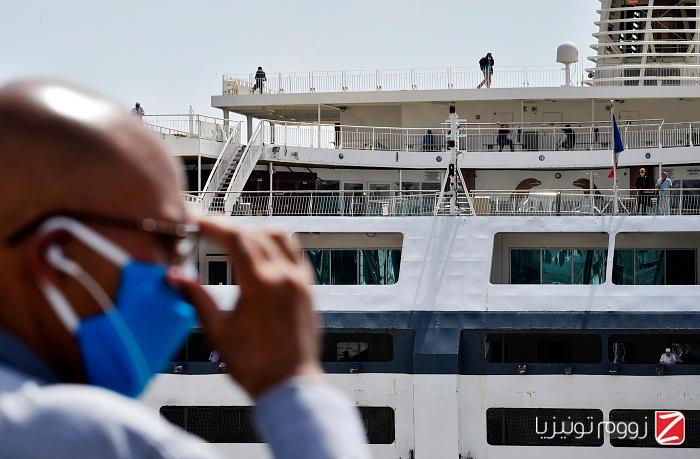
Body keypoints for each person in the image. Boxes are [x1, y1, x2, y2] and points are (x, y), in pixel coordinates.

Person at [0, 80, 370, 459]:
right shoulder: (95, 439)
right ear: (59, 256)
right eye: (167, 240)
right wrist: (292, 381)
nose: (183, 276)